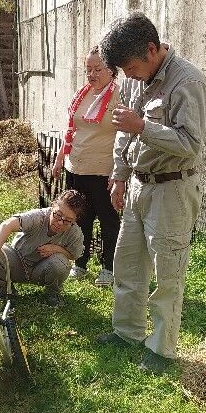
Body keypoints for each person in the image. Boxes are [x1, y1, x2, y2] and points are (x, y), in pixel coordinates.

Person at [96, 12, 206, 374]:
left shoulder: (187, 81)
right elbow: (123, 132)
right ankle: (127, 332)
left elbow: (191, 145)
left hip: (172, 189)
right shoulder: (135, 80)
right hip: (137, 185)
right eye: (123, 71)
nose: (128, 76)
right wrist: (119, 175)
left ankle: (161, 348)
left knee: (167, 272)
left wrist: (143, 126)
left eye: (130, 67)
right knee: (127, 263)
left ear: (151, 49)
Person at [52, 45, 121, 287]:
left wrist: (118, 172)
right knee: (80, 217)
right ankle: (80, 262)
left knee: (108, 220)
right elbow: (71, 129)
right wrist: (60, 157)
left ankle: (108, 268)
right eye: (88, 69)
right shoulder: (82, 94)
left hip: (103, 170)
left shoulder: (119, 96)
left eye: (97, 69)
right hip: (76, 167)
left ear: (111, 70)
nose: (92, 74)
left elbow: (125, 137)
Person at [0, 189, 87, 307]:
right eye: (58, 215)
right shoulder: (39, 217)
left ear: (75, 221)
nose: (60, 222)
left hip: (41, 270)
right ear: (53, 206)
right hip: (17, 262)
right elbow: (7, 225)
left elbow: (74, 255)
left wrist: (57, 249)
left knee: (61, 263)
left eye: (68, 221)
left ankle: (52, 294)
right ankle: (5, 290)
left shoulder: (75, 233)